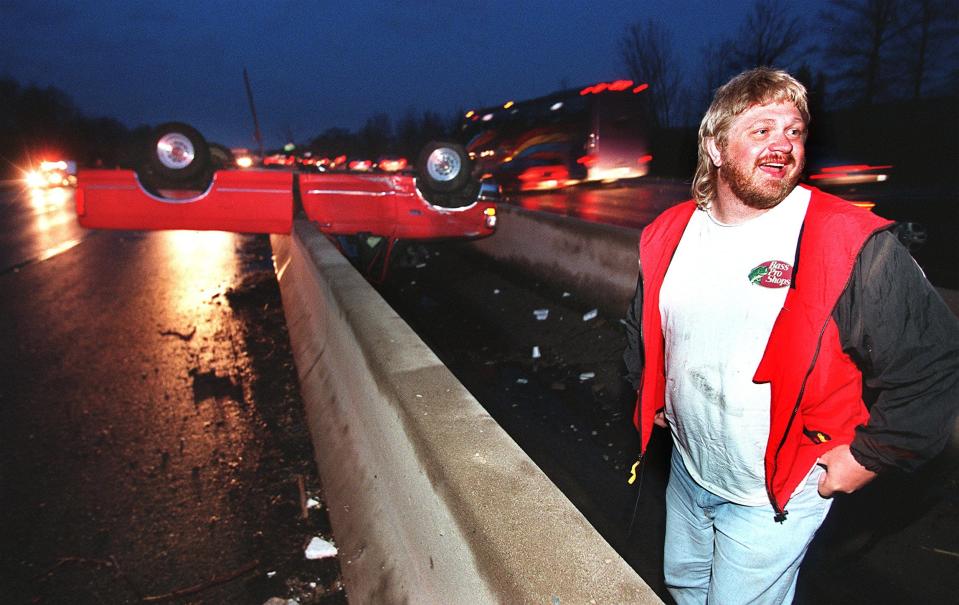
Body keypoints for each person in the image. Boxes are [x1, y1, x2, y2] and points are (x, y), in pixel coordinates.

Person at [623, 67, 959, 605]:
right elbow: (644, 325)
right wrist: (649, 390)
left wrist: (872, 456)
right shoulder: (670, 231)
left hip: (776, 491)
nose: (783, 144)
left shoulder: (848, 241)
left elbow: (934, 361)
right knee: (684, 584)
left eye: (795, 131)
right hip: (690, 469)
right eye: (762, 130)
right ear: (713, 145)